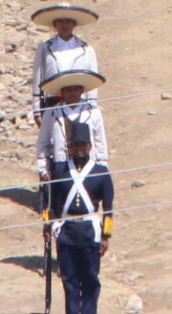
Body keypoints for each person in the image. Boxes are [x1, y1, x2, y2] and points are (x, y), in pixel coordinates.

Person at [43, 117, 115, 314]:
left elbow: (108, 209)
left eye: (83, 144)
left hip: (90, 230)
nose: (80, 149)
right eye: (76, 145)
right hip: (66, 231)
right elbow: (49, 203)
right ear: (70, 147)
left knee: (90, 277)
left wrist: (106, 236)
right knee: (69, 278)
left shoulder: (101, 172)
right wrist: (47, 225)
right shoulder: (60, 171)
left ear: (90, 146)